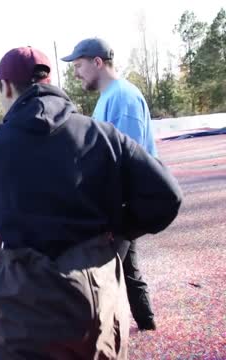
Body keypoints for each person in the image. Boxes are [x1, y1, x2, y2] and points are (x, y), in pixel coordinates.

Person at [0, 46, 182, 358]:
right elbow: (168, 195)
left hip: (27, 305)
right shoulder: (102, 135)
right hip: (96, 296)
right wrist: (118, 230)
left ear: (7, 87)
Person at [62, 37, 158, 330]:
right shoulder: (111, 96)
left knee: (100, 274)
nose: (76, 73)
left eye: (78, 66)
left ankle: (100, 336)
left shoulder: (122, 97)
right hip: (119, 201)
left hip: (122, 203)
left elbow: (125, 161)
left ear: (97, 62)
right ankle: (146, 322)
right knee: (127, 268)